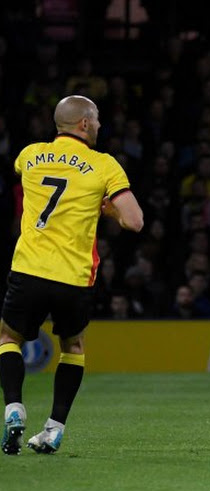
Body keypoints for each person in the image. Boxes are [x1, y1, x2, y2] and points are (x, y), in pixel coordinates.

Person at [0, 95, 144, 455]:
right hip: (74, 276)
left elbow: (34, 180)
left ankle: (14, 407)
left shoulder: (29, 154)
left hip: (29, 268)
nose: (98, 126)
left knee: (8, 337)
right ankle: (53, 429)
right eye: (95, 120)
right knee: (73, 346)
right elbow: (134, 221)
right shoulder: (104, 165)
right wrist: (103, 207)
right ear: (83, 123)